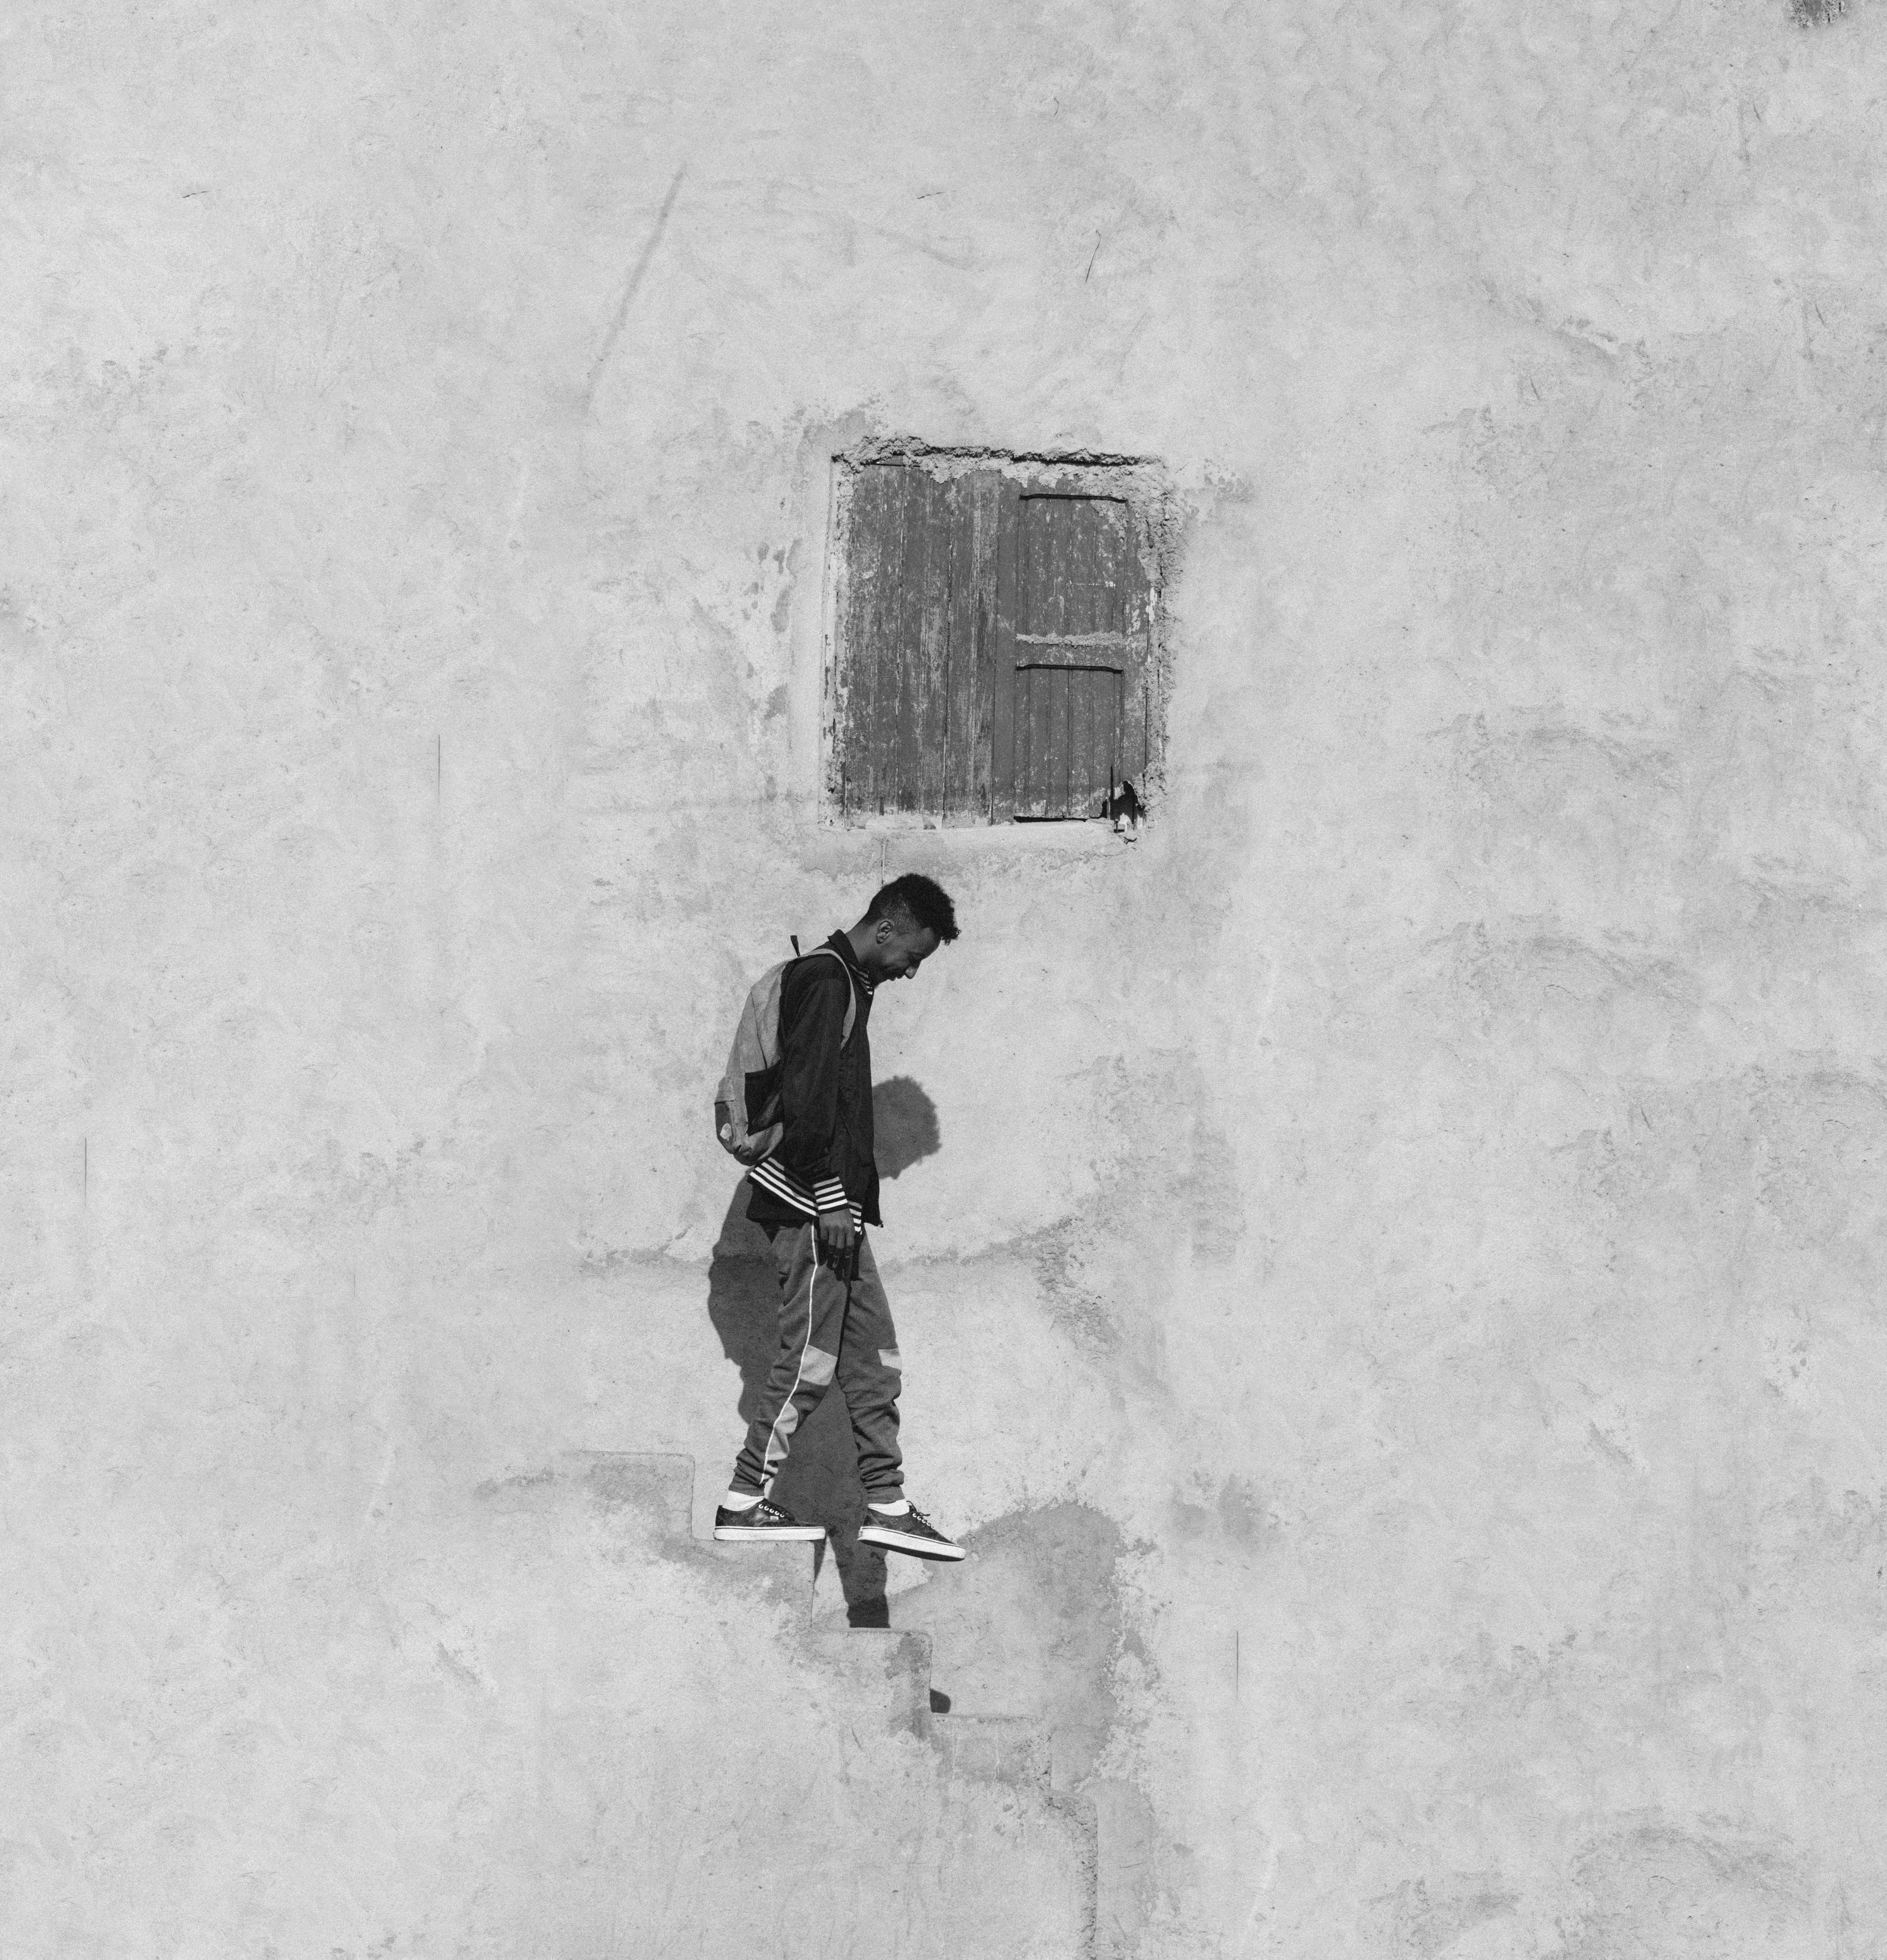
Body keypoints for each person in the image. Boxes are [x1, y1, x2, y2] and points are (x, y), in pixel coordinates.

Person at [713, 873, 966, 1562]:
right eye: (911, 955)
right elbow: (810, 1099)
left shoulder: (852, 986)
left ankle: (886, 1504)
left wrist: (846, 1204)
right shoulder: (827, 982)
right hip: (810, 1204)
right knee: (810, 1356)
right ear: (885, 928)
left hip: (836, 1211)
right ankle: (743, 1499)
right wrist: (830, 1194)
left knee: (875, 1359)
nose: (911, 971)